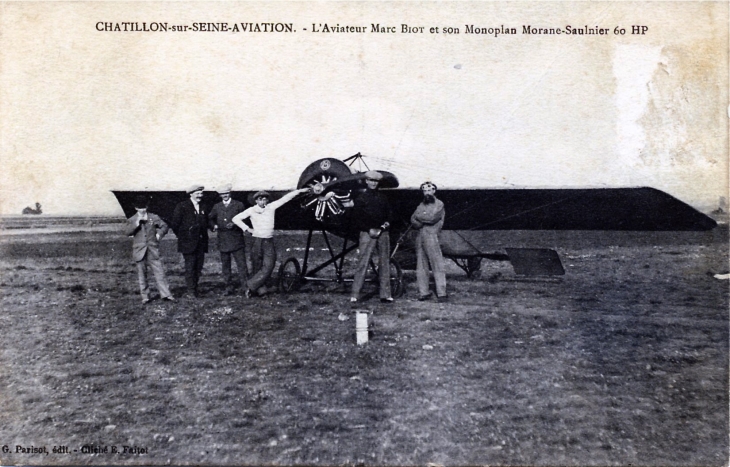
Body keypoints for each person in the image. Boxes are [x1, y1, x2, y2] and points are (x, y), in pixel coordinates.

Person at [232, 188, 309, 296]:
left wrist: (299, 191)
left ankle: (249, 286)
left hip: (268, 241)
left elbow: (285, 198)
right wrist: (247, 229)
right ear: (256, 201)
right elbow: (235, 219)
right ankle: (257, 289)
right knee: (256, 266)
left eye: (265, 199)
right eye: (260, 199)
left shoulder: (271, 207)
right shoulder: (251, 210)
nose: (263, 201)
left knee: (269, 265)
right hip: (257, 241)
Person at [348, 171, 394, 303]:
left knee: (384, 262)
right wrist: (369, 229)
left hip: (383, 233)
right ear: (366, 181)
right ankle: (355, 295)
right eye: (371, 180)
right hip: (367, 233)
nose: (373, 183)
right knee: (363, 262)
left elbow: (389, 215)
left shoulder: (383, 198)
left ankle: (385, 295)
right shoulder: (361, 198)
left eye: (376, 181)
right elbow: (356, 218)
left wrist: (384, 226)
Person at [124, 195, 174, 303]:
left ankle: (166, 294)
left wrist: (159, 235)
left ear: (147, 207)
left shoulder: (153, 217)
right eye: (140, 207)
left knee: (159, 272)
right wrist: (137, 223)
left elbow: (164, 226)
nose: (142, 210)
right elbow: (127, 232)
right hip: (139, 250)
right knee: (142, 274)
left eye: (144, 207)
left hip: (152, 249)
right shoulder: (132, 219)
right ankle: (145, 296)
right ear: (136, 208)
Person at [208, 184, 248, 295]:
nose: (224, 196)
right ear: (220, 195)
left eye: (226, 193)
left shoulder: (238, 205)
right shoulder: (217, 206)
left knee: (241, 264)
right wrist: (214, 226)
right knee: (226, 265)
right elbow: (210, 218)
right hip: (223, 239)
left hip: (236, 239)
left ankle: (245, 287)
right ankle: (228, 287)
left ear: (230, 193)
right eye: (222, 194)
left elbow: (245, 219)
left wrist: (235, 224)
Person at [410, 181, 447, 301]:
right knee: (421, 265)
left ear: (434, 191)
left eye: (429, 190)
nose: (427, 192)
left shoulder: (439, 204)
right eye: (425, 190)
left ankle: (442, 293)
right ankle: (424, 292)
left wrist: (420, 218)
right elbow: (412, 219)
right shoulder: (421, 205)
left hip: (432, 236)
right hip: (420, 236)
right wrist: (421, 218)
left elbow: (432, 218)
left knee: (437, 264)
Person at [171, 185, 209, 297]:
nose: (200, 196)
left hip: (201, 243)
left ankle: (195, 288)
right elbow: (175, 224)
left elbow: (205, 222)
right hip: (188, 243)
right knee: (190, 267)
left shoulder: (203, 206)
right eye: (197, 193)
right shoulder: (182, 206)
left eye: (201, 193)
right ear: (191, 194)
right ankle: (191, 291)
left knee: (198, 266)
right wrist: (184, 236)